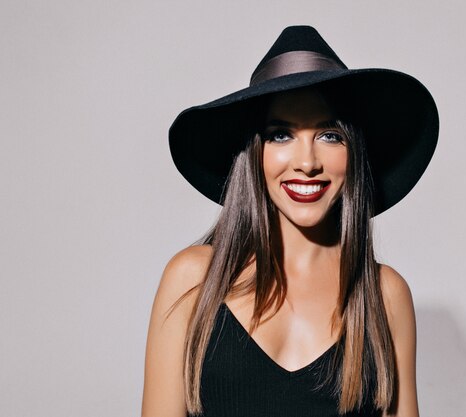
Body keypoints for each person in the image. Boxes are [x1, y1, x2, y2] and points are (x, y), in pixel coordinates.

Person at [142, 26, 438, 417]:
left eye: (330, 135)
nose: (307, 162)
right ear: (254, 154)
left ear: (354, 153)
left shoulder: (384, 296)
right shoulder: (193, 280)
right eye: (281, 135)